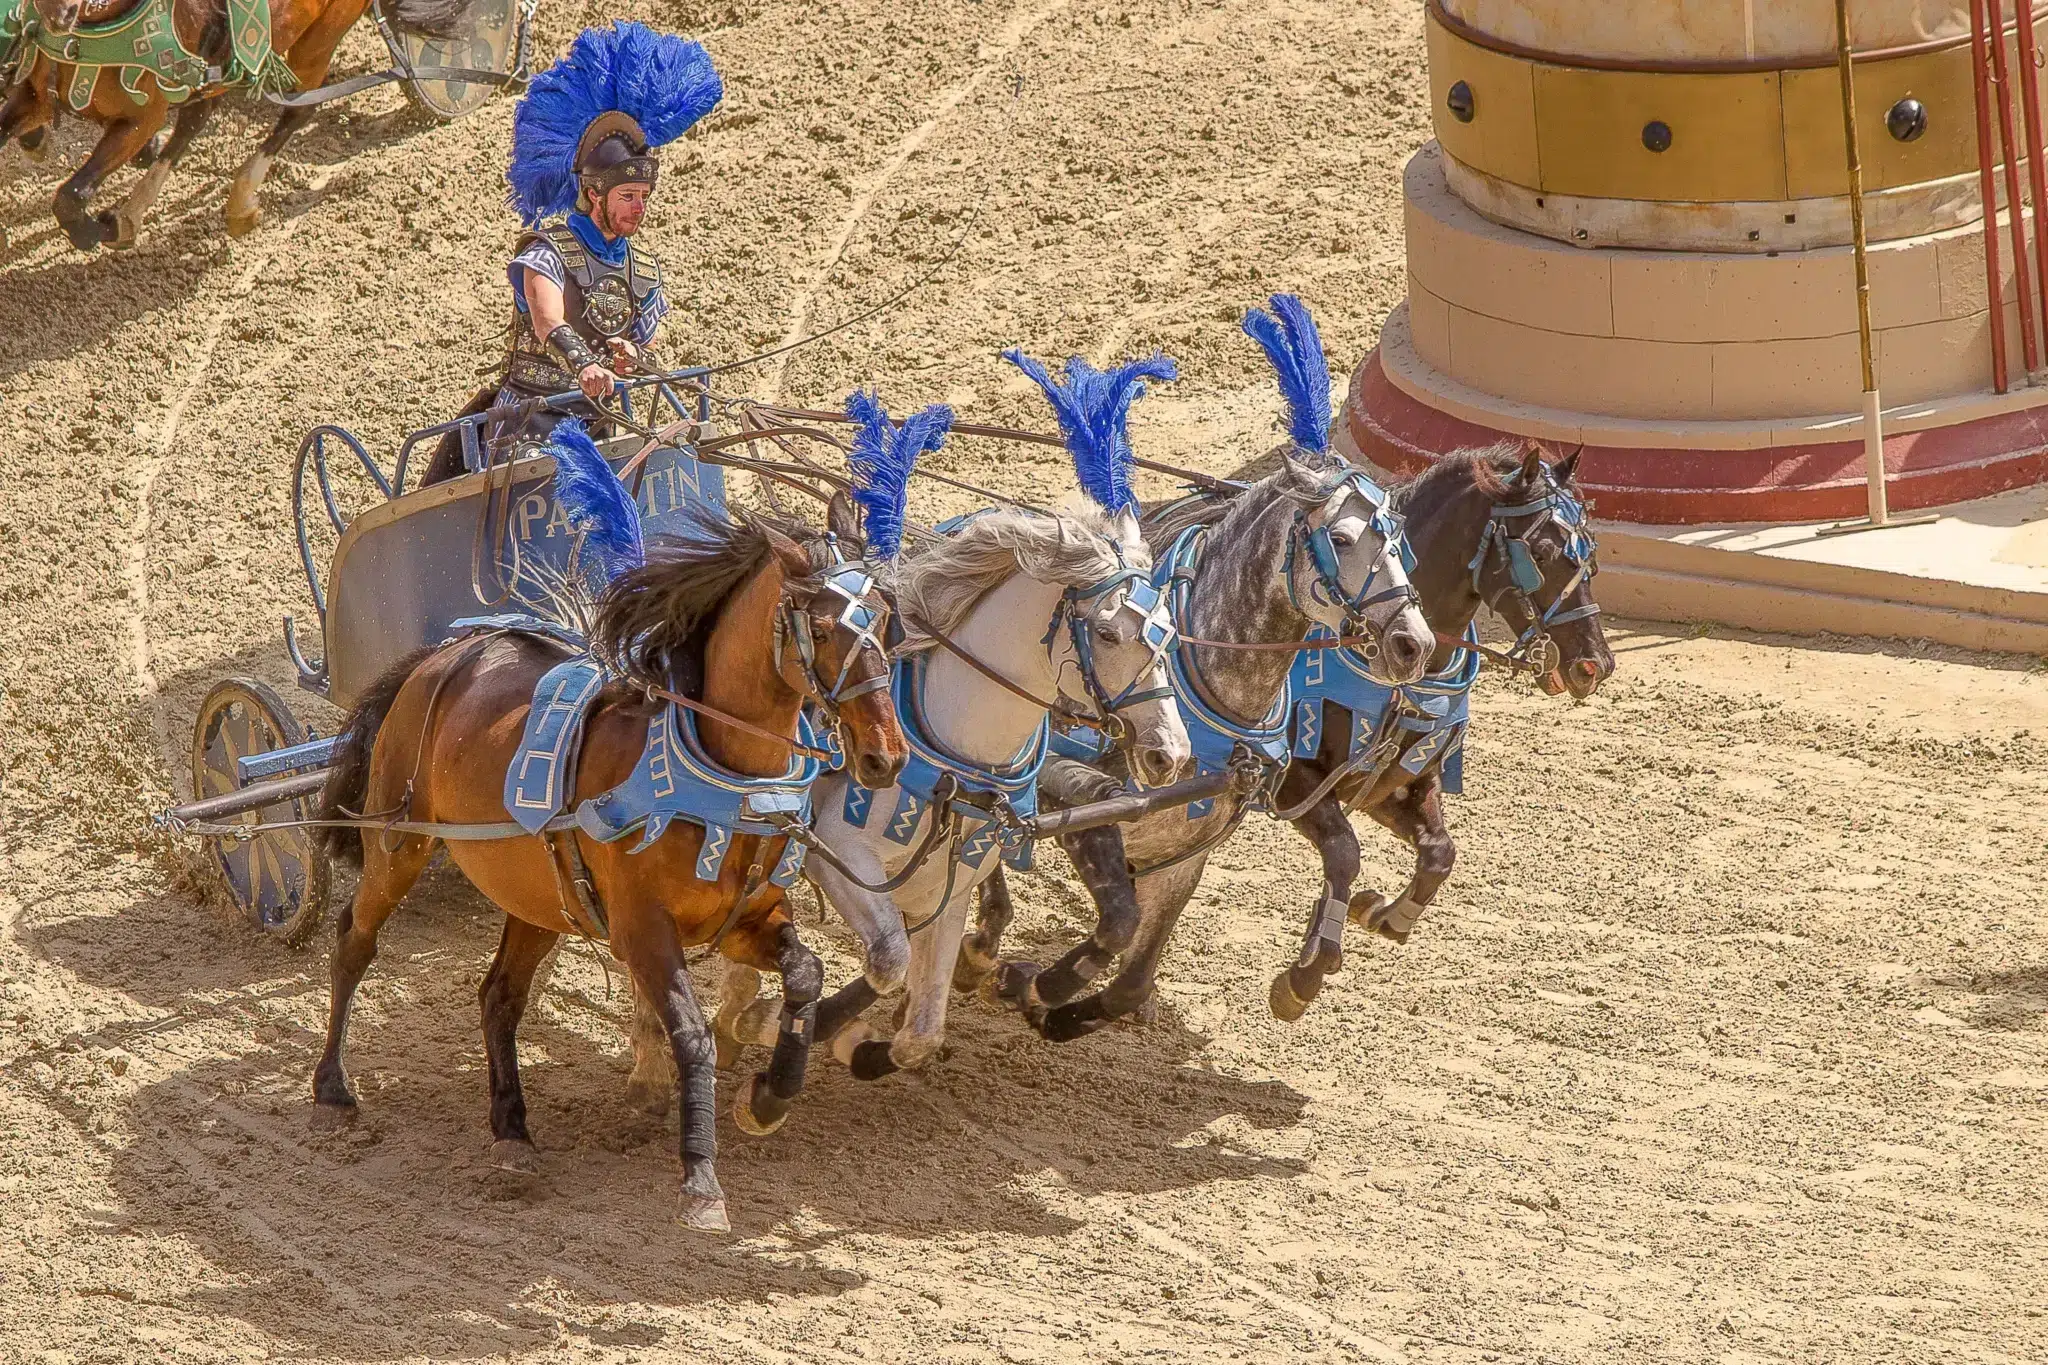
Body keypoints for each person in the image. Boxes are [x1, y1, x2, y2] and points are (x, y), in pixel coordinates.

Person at [421, 22, 722, 486]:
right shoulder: (547, 252)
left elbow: (647, 339)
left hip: (602, 424)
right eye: (628, 196)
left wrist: (631, 353)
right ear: (594, 194)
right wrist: (585, 364)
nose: (639, 208)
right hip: (528, 428)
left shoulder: (644, 271)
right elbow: (548, 323)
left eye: (644, 195)